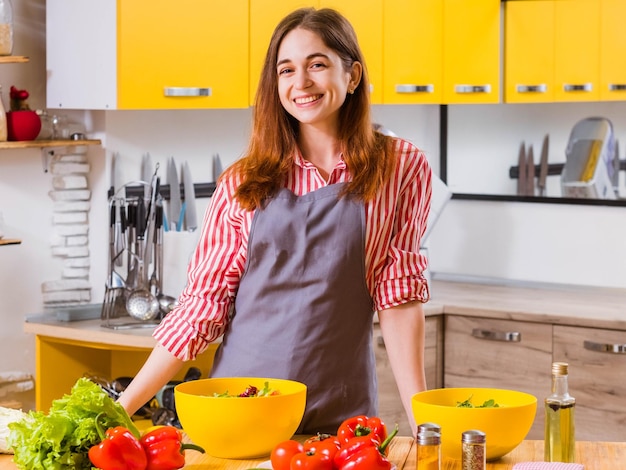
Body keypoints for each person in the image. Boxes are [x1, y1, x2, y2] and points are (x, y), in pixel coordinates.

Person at [118, 6, 432, 435]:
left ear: (352, 75)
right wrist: (123, 407)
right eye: (286, 70)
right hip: (242, 411)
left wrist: (423, 426)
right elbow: (202, 309)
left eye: (316, 65)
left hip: (341, 418)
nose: (300, 83)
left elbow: (397, 298)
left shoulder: (400, 167)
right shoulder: (243, 181)